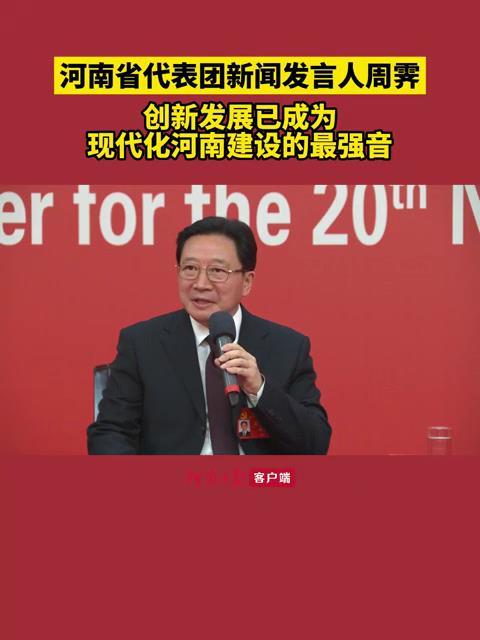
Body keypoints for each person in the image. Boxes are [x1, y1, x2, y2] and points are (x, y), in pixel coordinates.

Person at [87, 217, 332, 455]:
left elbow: (315, 444)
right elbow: (110, 433)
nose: (201, 283)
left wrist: (259, 389)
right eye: (190, 268)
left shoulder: (287, 347)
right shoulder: (142, 343)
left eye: (217, 270)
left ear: (247, 282)